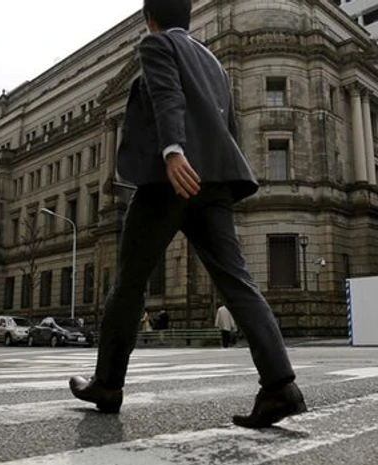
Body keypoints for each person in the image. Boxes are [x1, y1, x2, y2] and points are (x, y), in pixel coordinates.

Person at [69, 0, 306, 429]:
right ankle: (279, 385)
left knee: (128, 284)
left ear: (150, 19)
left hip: (169, 182)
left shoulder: (157, 45)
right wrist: (218, 176)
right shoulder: (213, 62)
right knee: (238, 284)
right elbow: (227, 128)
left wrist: (174, 151)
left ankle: (107, 384)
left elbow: (166, 96)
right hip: (214, 184)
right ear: (189, 17)